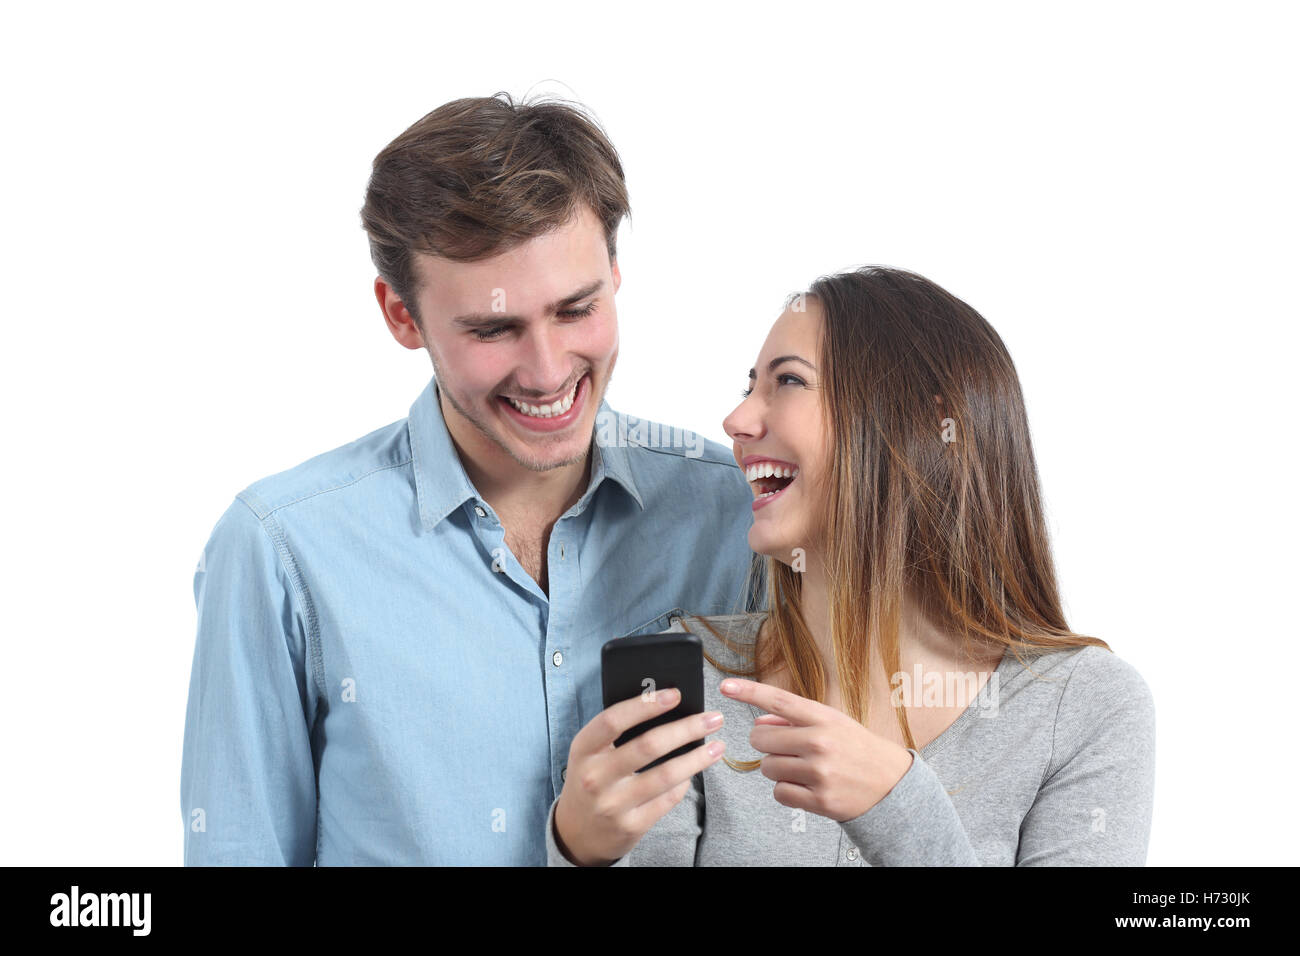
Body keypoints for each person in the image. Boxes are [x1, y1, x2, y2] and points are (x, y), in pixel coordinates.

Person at [179, 93, 760, 865]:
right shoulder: (281, 551)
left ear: (615, 277)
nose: (549, 370)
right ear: (402, 316)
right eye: (493, 328)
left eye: (576, 309)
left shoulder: (738, 513)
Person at [547, 266, 1156, 866]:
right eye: (749, 385)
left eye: (787, 381)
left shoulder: (1085, 706)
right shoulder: (688, 674)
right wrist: (577, 851)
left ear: (923, 425)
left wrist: (897, 808)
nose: (736, 423)